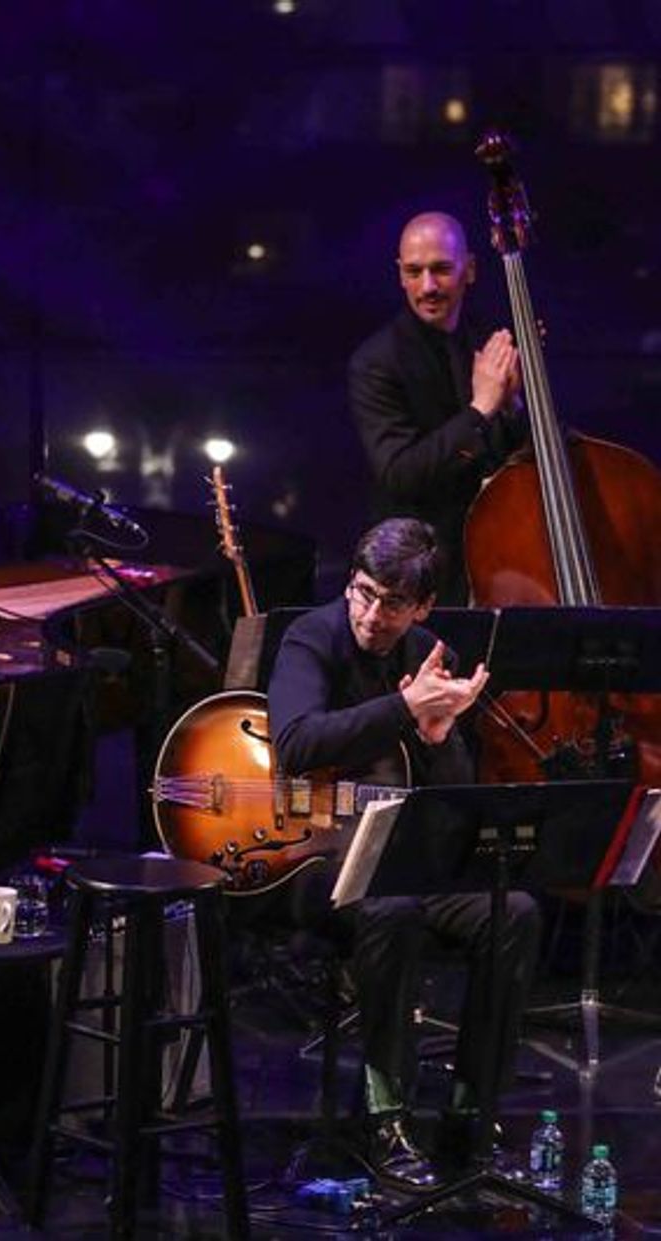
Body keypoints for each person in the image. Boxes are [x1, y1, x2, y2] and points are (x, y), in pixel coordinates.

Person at [267, 518, 541, 1191]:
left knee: (515, 911)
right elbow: (296, 743)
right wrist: (403, 704)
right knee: (388, 910)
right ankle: (386, 1118)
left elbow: (450, 799)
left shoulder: (424, 648)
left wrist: (441, 732)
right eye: (363, 592)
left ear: (422, 605)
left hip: (404, 856)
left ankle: (470, 1113)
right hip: (312, 861)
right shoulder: (315, 635)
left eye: (392, 602)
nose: (371, 613)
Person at [349, 211, 528, 604]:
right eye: (414, 272)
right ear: (400, 275)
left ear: (471, 269)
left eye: (441, 269)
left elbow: (511, 457)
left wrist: (512, 404)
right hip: (418, 580)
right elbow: (401, 474)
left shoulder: (485, 341)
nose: (427, 286)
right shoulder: (376, 362)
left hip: (497, 559)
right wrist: (482, 408)